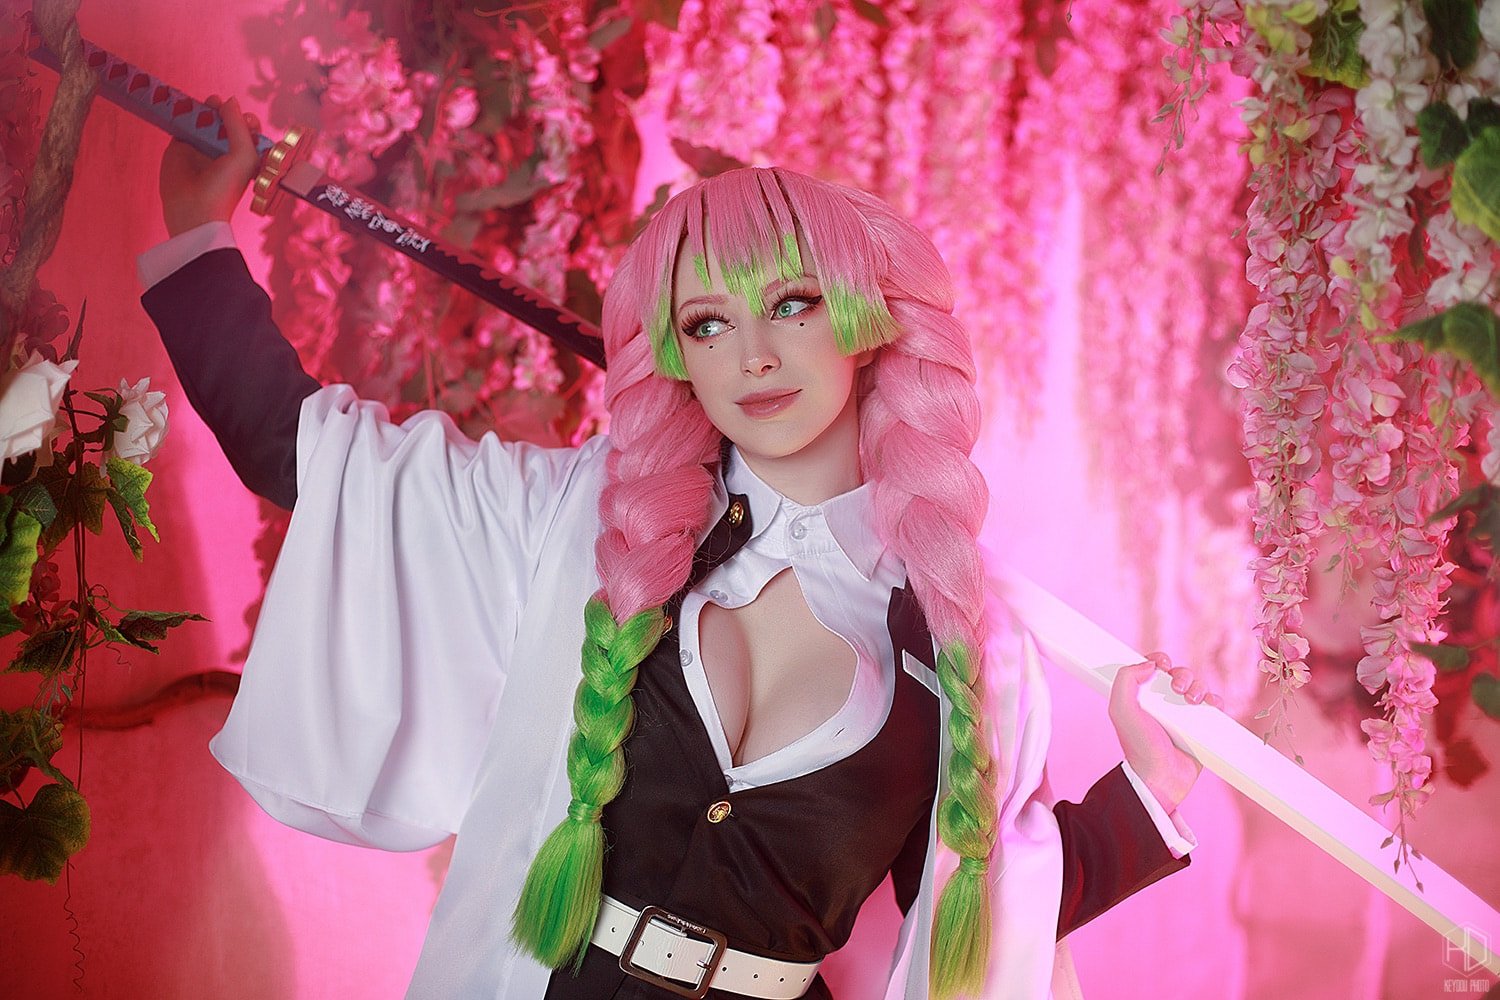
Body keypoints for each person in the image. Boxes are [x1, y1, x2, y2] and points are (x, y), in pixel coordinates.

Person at [139, 95, 1223, 1000]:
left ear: (866, 319)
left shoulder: (959, 642)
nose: (753, 356)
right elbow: (298, 450)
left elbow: (978, 906)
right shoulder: (576, 521)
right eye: (708, 323)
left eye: (791, 304)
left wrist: (1150, 786)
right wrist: (196, 236)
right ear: (675, 353)